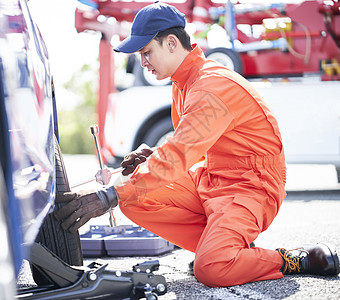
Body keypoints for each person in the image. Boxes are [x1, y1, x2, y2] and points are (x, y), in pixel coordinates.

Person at [54, 1, 340, 287]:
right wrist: (151, 158)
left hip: (251, 186)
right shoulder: (184, 83)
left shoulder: (210, 85)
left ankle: (288, 259)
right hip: (214, 179)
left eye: (146, 52)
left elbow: (179, 155)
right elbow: (192, 148)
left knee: (211, 270)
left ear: (170, 43)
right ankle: (223, 247)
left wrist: (108, 197)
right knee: (134, 196)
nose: (143, 62)